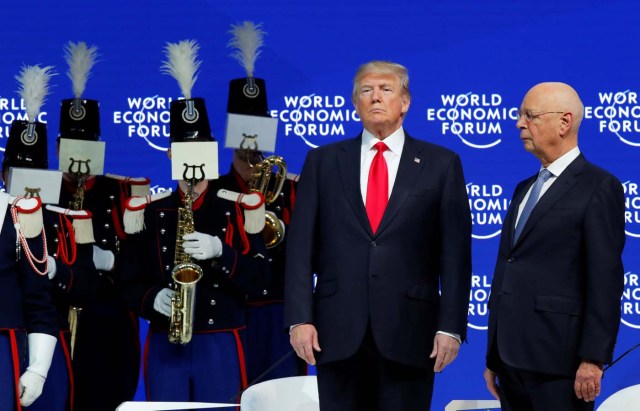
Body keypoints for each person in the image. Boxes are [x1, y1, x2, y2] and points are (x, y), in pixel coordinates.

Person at [284, 60, 472, 410]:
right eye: (365, 91)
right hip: (335, 334)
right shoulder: (322, 162)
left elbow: (456, 255)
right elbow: (299, 249)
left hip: (412, 333)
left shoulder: (441, 164)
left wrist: (451, 327)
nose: (375, 98)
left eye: (386, 89)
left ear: (406, 102)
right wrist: (300, 318)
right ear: (355, 104)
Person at [119, 43, 271, 401]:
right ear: (171, 155)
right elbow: (126, 282)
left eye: (200, 150)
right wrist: (151, 298)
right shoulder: (150, 211)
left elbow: (260, 277)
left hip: (220, 340)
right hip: (165, 343)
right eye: (183, 152)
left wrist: (222, 252)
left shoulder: (237, 206)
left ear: (213, 150)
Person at [483, 82, 625, 411]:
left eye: (529, 115)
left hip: (561, 364)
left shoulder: (599, 187)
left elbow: (605, 280)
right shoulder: (523, 189)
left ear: (564, 122)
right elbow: (508, 267)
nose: (519, 123)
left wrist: (592, 359)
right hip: (510, 362)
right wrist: (493, 355)